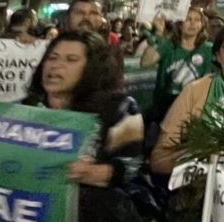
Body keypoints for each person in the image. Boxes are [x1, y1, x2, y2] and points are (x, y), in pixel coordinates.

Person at [22, 31, 144, 218]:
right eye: (52, 58)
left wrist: (89, 173)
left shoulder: (121, 107)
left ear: (92, 68)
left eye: (71, 60)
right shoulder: (27, 107)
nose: (56, 66)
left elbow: (130, 167)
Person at [151, 17, 224, 175]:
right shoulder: (195, 91)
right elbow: (159, 160)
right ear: (218, 55)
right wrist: (200, 157)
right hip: (204, 191)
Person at [139, 8, 213, 132]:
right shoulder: (168, 45)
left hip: (193, 113)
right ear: (179, 24)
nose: (193, 23)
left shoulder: (207, 49)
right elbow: (145, 62)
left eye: (197, 20)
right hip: (165, 111)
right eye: (188, 19)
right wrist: (158, 34)